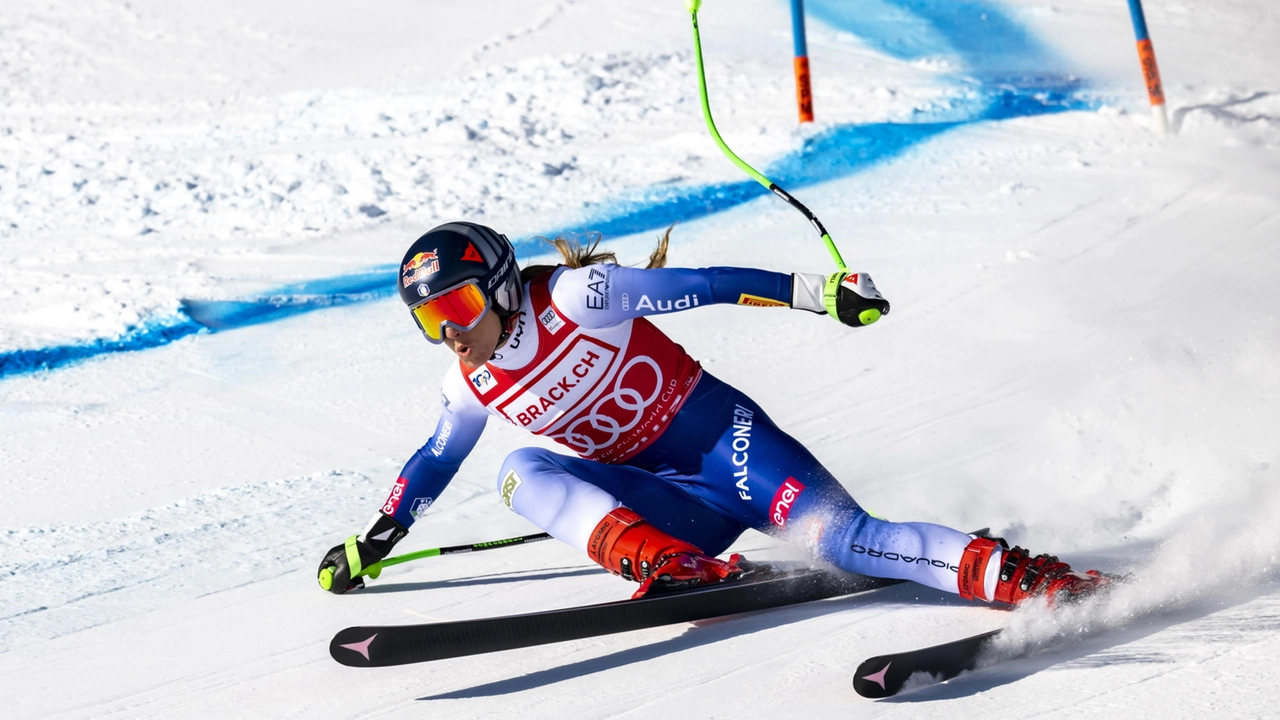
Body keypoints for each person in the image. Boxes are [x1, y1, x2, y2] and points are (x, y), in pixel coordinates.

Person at [317, 221, 1110, 605]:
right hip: (670, 506)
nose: (449, 331)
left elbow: (707, 282)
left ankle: (1023, 577)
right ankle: (665, 563)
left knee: (850, 543)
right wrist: (374, 543)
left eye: (454, 305)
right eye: (428, 320)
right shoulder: (470, 382)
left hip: (728, 447)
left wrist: (819, 292)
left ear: (493, 284)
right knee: (517, 469)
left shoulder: (575, 297)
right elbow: (433, 462)